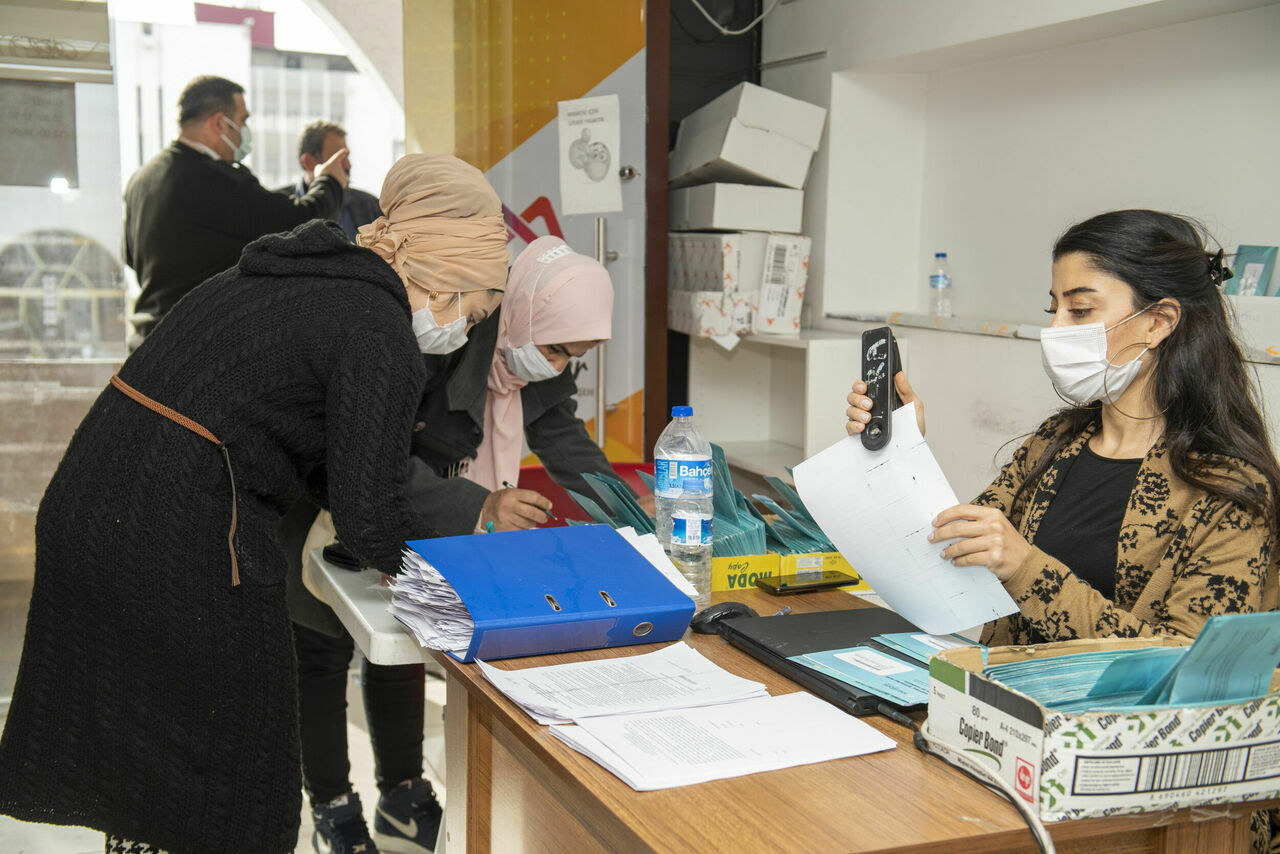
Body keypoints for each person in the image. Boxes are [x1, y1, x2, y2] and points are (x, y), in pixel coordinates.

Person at [0, 154, 507, 854]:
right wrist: (464, 614)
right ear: (445, 275)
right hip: (173, 530)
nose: (466, 331)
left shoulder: (308, 279)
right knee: (230, 767)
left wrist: (416, 559)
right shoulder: (377, 326)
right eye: (474, 312)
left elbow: (336, 472)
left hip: (97, 506)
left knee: (153, 765)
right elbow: (369, 517)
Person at [288, 235, 620, 854]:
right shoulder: (442, 341)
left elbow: (563, 438)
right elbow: (368, 459)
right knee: (323, 654)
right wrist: (480, 505)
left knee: (402, 649)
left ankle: (403, 798)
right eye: (553, 348)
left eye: (571, 356)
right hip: (328, 504)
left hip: (420, 522)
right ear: (520, 312)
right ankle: (334, 808)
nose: (554, 364)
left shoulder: (529, 361)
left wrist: (629, 512)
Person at [845, 209, 1279, 647]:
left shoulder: (1229, 489)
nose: (1054, 330)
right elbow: (946, 550)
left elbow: (1187, 664)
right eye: (1054, 308)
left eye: (1081, 309)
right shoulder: (1057, 442)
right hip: (995, 701)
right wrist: (901, 451)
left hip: (1100, 716)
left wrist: (1024, 568)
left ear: (1159, 321)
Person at [123, 75, 350, 346]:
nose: (244, 132)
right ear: (220, 123)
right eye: (242, 122)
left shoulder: (142, 178)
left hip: (148, 343)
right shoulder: (211, 180)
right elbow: (302, 223)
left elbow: (130, 256)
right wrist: (330, 180)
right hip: (194, 345)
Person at [279, 120, 381, 241]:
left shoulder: (371, 207)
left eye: (346, 157)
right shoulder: (278, 211)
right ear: (308, 162)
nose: (348, 166)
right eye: (338, 158)